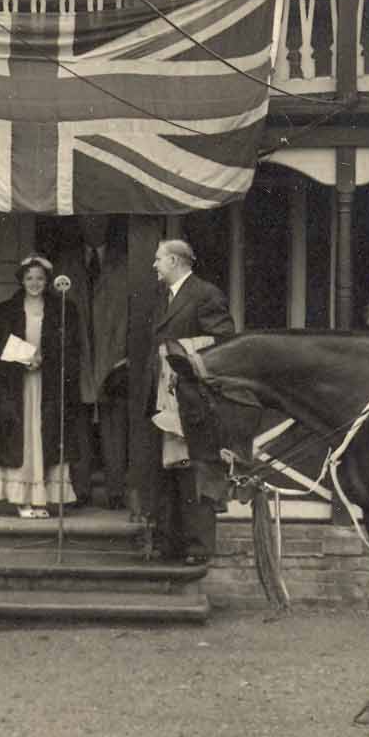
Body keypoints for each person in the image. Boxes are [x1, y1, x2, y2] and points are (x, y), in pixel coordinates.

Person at [151, 238, 235, 564]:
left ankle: (198, 548)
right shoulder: (164, 297)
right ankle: (170, 544)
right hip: (167, 396)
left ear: (174, 261)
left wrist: (179, 355)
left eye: (158, 259)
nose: (155, 265)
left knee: (195, 471)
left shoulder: (205, 294)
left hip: (194, 397)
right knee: (171, 470)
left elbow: (223, 343)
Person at [0, 254, 81, 518]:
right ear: (22, 280)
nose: (35, 283)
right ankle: (22, 499)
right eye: (29, 278)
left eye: (40, 278)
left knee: (45, 436)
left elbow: (72, 349)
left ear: (47, 281)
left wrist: (46, 359)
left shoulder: (63, 310)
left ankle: (42, 500)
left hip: (49, 385)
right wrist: (23, 359)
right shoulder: (4, 311)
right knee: (23, 437)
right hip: (17, 386)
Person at [53, 214, 131, 510]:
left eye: (99, 221)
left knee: (115, 428)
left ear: (108, 224)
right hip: (79, 359)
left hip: (114, 358)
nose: (93, 226)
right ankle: (80, 490)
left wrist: (127, 355)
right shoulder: (65, 263)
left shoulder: (125, 263)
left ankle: (116, 492)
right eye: (87, 221)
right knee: (77, 428)